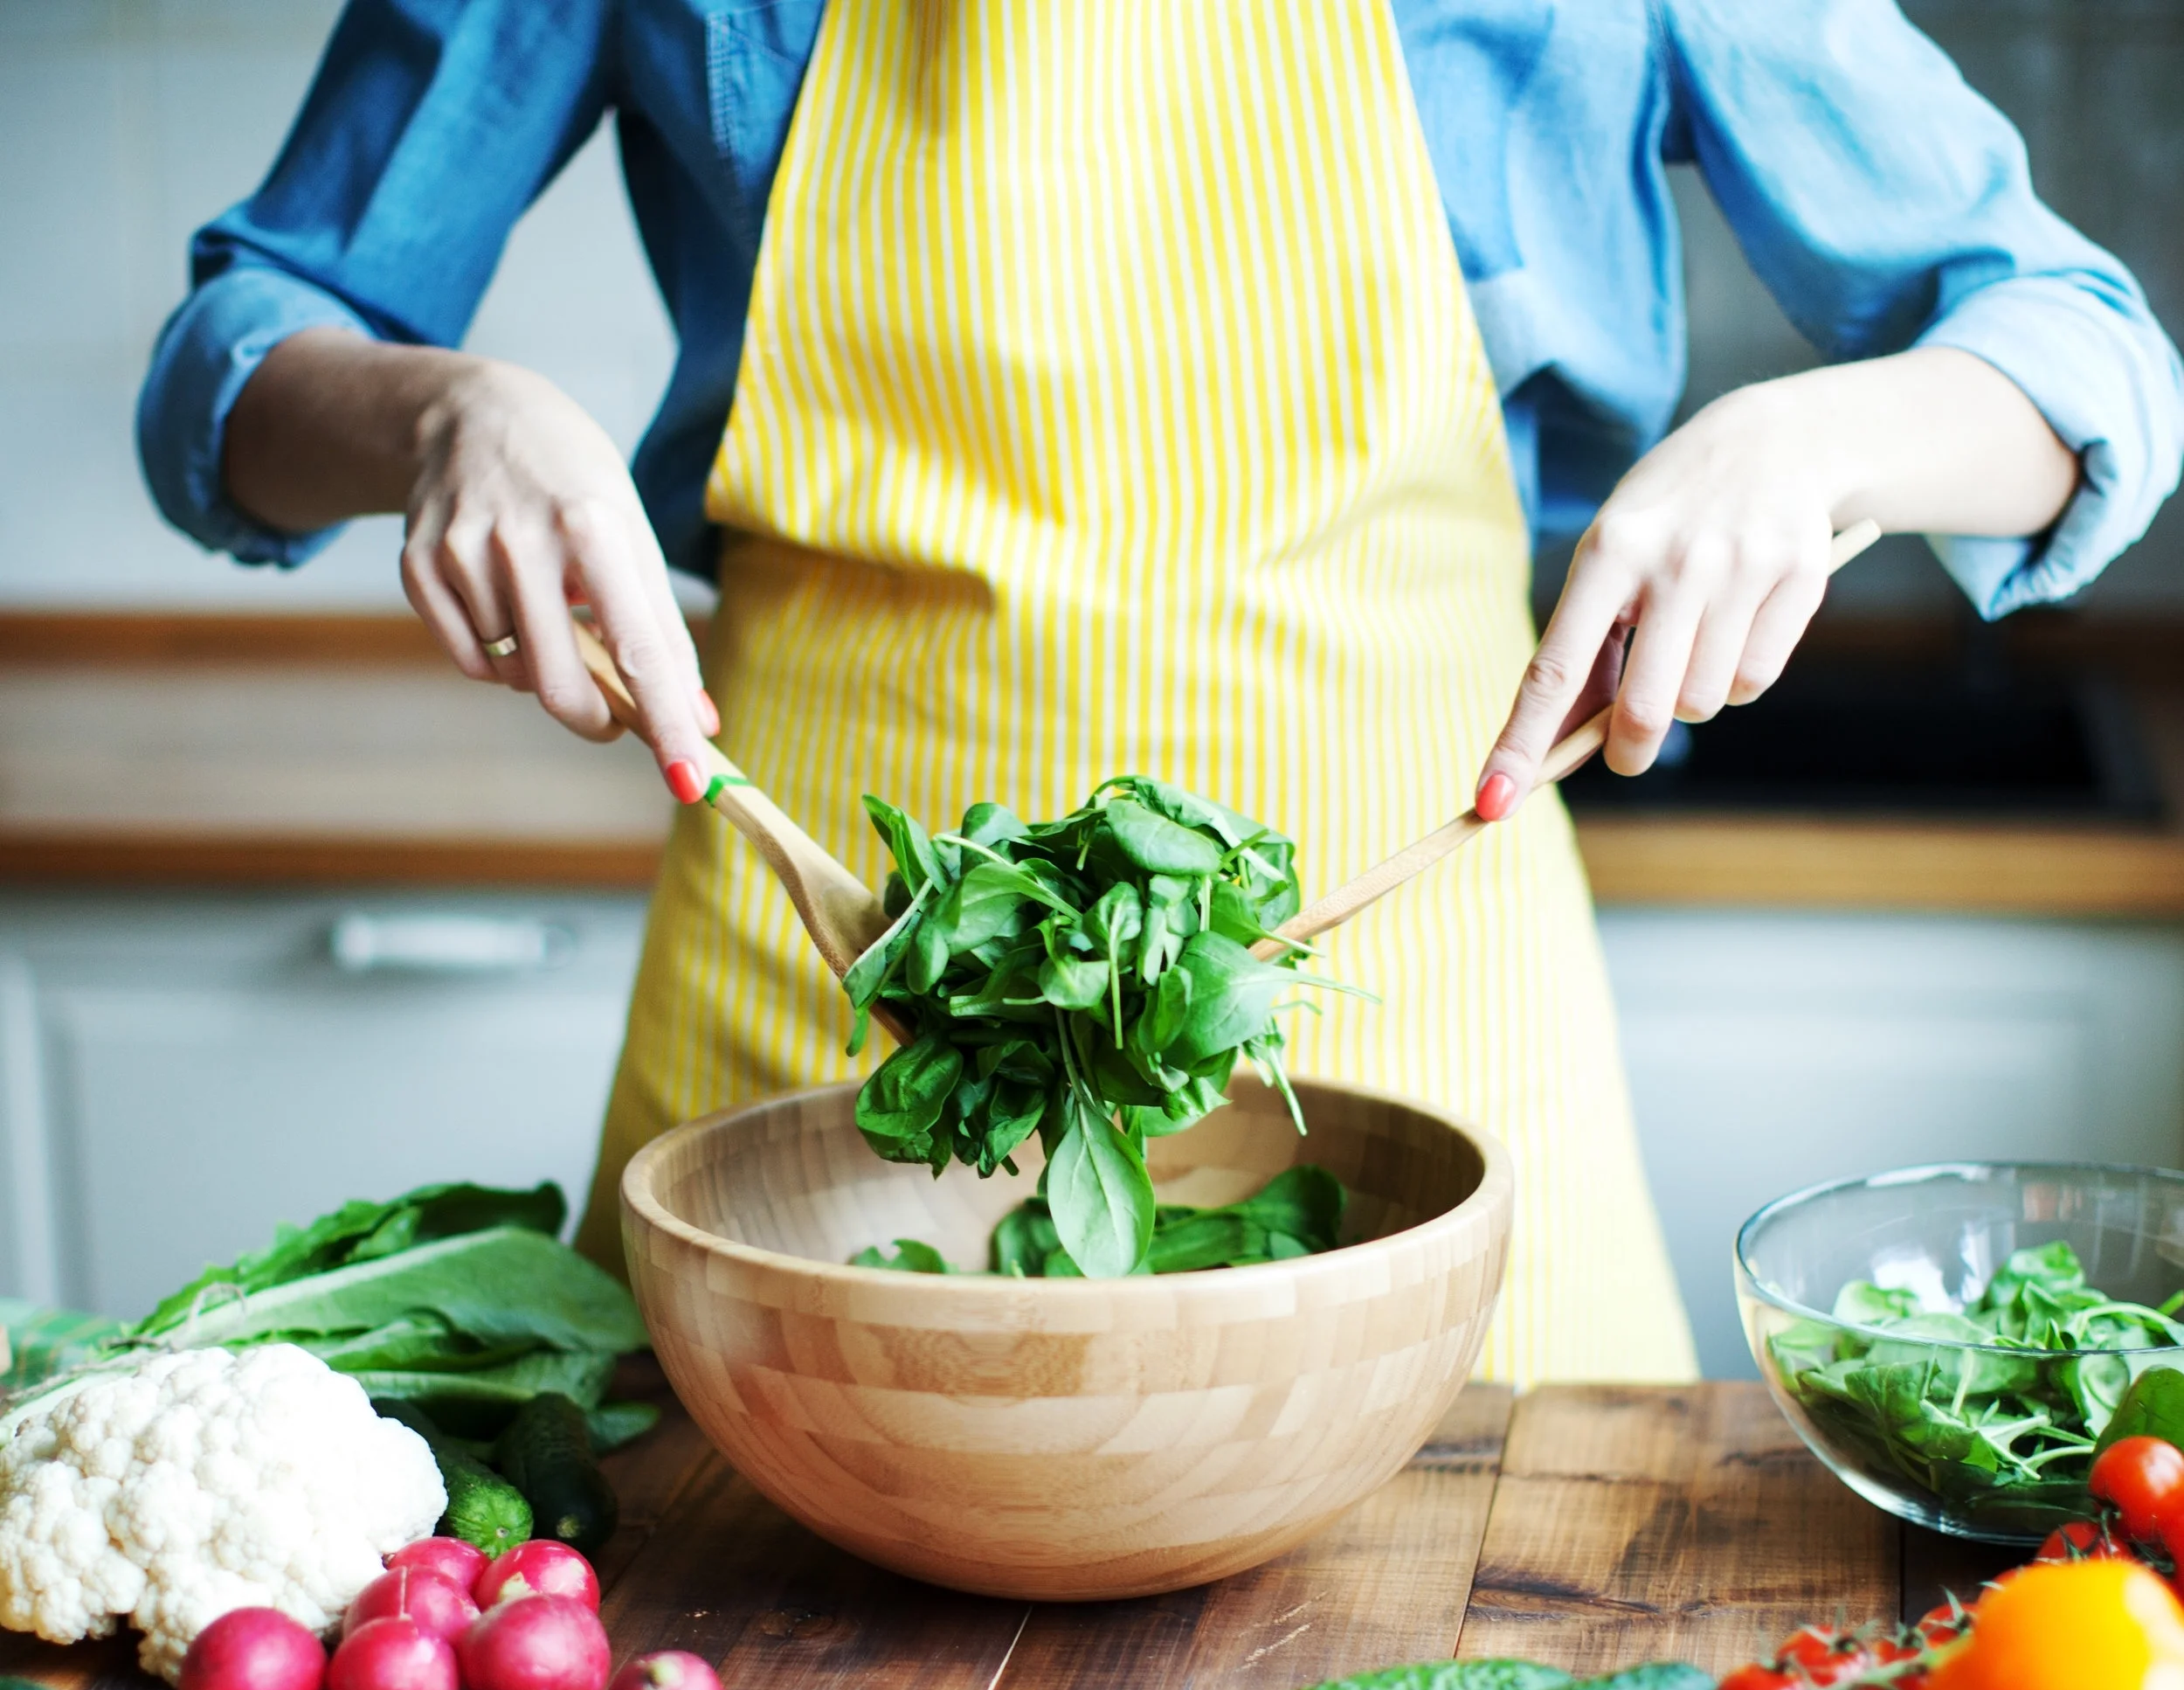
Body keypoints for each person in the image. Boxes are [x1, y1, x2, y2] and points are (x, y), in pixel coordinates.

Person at [141, 2, 2182, 1383]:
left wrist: (1819, 445)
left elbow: (2078, 348)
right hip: (813, 1031)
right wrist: (440, 416)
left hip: (1427, 1025)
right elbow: (231, 359)